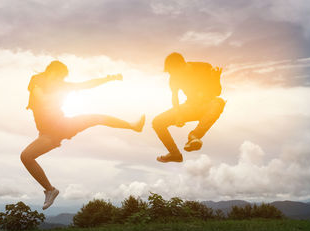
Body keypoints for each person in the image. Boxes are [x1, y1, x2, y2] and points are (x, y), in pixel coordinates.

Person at [21, 61, 145, 209]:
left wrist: (108, 78)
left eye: (61, 79)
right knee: (26, 156)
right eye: (58, 78)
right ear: (51, 73)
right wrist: (59, 93)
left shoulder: (61, 85)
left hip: (63, 126)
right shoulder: (37, 79)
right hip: (47, 134)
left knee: (96, 118)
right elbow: (40, 98)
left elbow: (86, 84)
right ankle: (50, 190)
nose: (60, 82)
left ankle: (133, 125)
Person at [152, 52, 225, 163]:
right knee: (157, 122)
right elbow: (175, 98)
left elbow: (217, 92)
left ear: (182, 65)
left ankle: (194, 136)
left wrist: (216, 78)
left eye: (173, 72)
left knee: (218, 103)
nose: (172, 75)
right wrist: (179, 115)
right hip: (190, 106)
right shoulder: (174, 78)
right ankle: (174, 154)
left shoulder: (204, 67)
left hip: (207, 105)